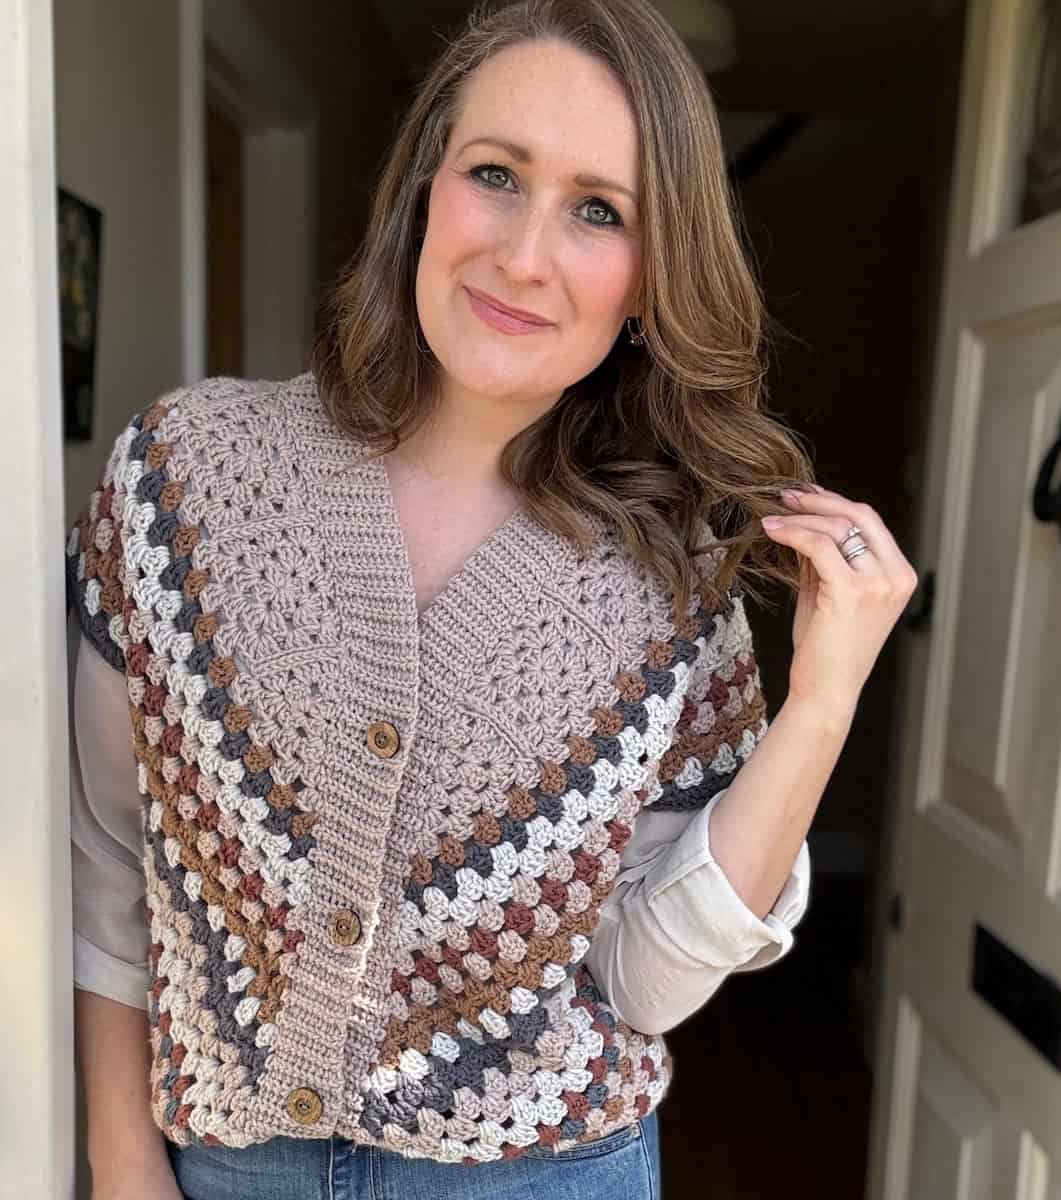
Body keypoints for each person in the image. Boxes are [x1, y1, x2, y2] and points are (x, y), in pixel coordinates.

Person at [67, 1, 917, 1197]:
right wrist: (119, 1160)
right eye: (496, 175)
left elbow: (641, 987)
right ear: (424, 191)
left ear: (649, 279)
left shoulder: (667, 584)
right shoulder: (188, 480)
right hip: (219, 1166)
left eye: (598, 210)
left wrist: (825, 699)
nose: (525, 255)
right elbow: (109, 863)